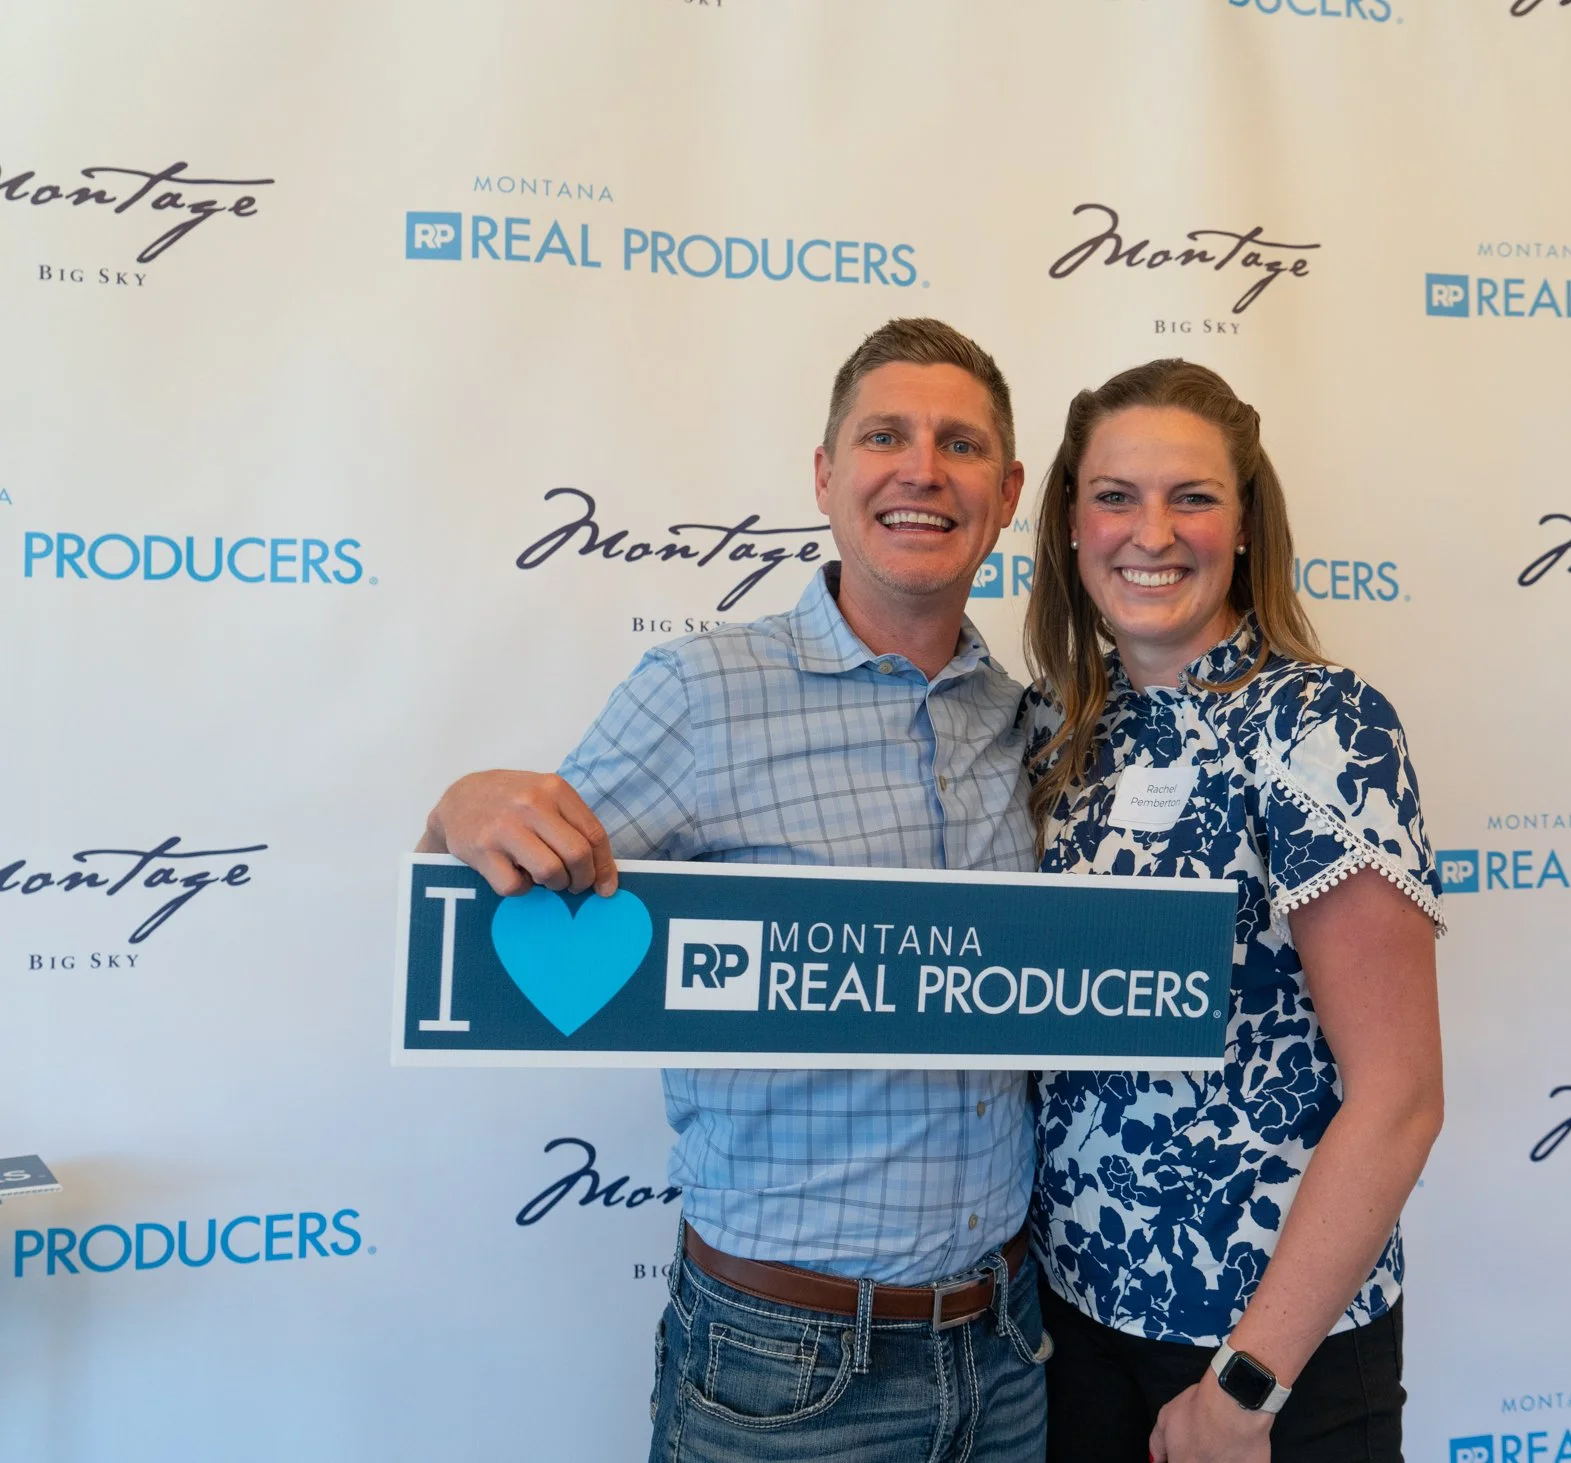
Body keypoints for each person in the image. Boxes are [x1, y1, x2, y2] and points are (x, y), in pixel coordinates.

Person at [419, 318, 1049, 1463]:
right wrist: (459, 806)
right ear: (824, 475)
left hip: (1008, 1350)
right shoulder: (702, 692)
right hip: (786, 1367)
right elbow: (505, 885)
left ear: (1005, 493)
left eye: (959, 445)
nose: (921, 468)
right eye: (883, 436)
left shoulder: (1021, 721)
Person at [1020, 360, 1445, 1463]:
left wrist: (1243, 1386)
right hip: (1073, 1338)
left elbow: (1398, 1098)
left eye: (1191, 497)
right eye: (1114, 495)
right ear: (1070, 521)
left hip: (1264, 1366)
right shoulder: (1061, 734)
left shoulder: (1323, 727)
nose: (1148, 530)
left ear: (1245, 524)